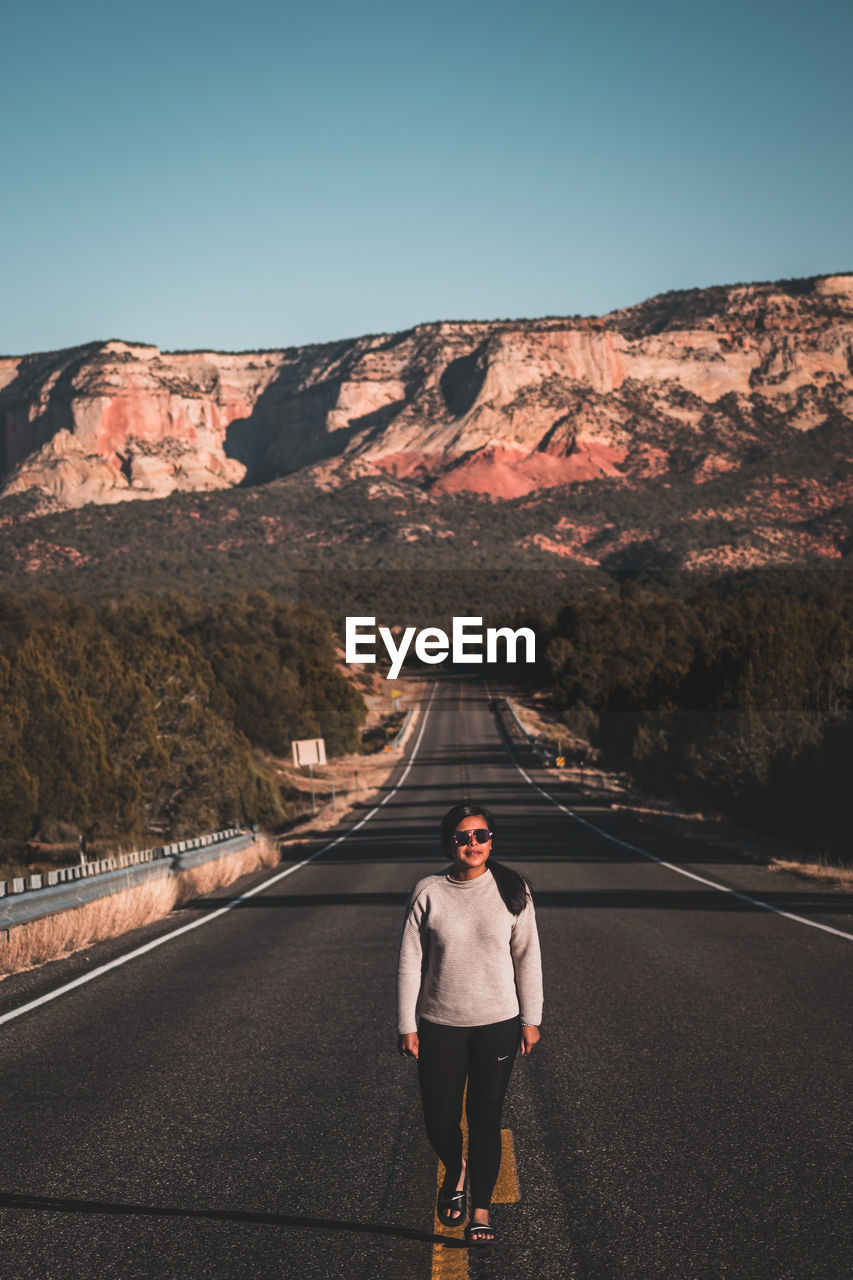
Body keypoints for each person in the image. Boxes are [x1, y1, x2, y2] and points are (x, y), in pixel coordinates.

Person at [396, 801, 543, 1244]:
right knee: (440, 1120)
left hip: (497, 1022)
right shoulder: (428, 891)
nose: (473, 844)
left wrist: (531, 1018)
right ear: (449, 844)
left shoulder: (513, 889)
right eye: (462, 837)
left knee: (485, 1117)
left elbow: (528, 956)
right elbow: (409, 959)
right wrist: (407, 1023)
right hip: (439, 1024)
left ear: (491, 840)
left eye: (480, 835)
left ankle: (481, 1209)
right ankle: (455, 1168)